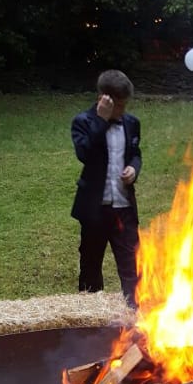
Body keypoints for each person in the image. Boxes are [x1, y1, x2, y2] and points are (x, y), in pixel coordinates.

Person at [70, 69, 142, 306]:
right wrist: (101, 121)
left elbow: (135, 154)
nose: (122, 110)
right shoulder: (83, 122)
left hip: (123, 209)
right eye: (118, 105)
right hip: (95, 211)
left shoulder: (131, 123)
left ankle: (136, 319)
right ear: (103, 99)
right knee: (90, 268)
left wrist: (133, 168)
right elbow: (86, 154)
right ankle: (91, 323)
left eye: (124, 105)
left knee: (133, 267)